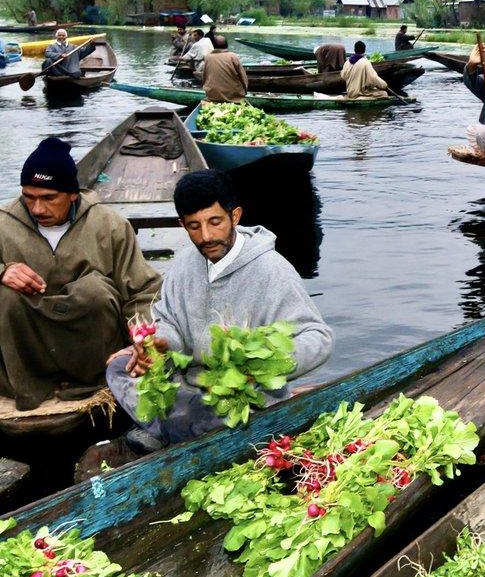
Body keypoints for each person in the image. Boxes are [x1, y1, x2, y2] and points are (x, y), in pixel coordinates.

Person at [104, 169, 332, 450]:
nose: (207, 236)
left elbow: (319, 337)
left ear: (234, 216)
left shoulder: (272, 271)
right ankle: (174, 427)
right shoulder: (184, 266)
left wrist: (261, 365)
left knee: (218, 412)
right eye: (194, 226)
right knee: (119, 368)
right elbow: (168, 322)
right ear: (182, 225)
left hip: (241, 397)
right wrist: (161, 344)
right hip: (191, 390)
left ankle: (166, 428)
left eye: (215, 222)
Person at [0, 137, 162, 411]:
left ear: (72, 194)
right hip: (26, 360)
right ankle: (29, 386)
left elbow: (143, 290)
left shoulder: (109, 225)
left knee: (94, 291)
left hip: (91, 358)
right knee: (2, 296)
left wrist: (141, 341)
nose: (37, 209)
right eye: (28, 197)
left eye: (48, 198)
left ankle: (89, 381)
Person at [201, 35, 248, 103]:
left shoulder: (207, 57)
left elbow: (204, 77)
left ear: (213, 45)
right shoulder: (233, 56)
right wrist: (245, 91)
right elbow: (243, 77)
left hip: (212, 96)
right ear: (227, 45)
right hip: (233, 96)